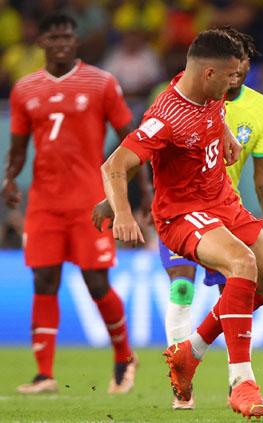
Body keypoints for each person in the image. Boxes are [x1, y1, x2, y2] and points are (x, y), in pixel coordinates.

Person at [99, 29, 263, 418]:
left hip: (224, 203)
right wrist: (119, 211)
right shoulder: (166, 115)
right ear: (208, 74)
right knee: (242, 265)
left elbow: (211, 115)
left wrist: (227, 136)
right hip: (183, 214)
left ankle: (190, 353)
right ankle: (242, 383)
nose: (237, 83)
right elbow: (116, 164)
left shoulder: (207, 93)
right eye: (231, 76)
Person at [2, 13, 139, 395]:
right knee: (44, 281)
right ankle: (44, 374)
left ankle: (124, 357)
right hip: (44, 203)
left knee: (96, 282)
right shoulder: (25, 89)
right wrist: (10, 178)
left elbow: (130, 139)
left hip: (89, 202)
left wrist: (130, 194)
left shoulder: (101, 83)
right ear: (41, 42)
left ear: (75, 42)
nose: (61, 42)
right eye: (54, 36)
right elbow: (17, 148)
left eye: (67, 36)